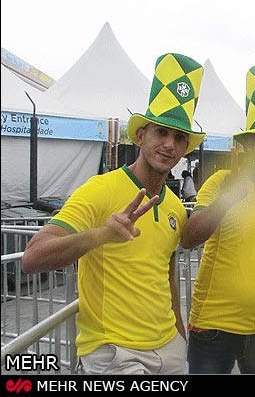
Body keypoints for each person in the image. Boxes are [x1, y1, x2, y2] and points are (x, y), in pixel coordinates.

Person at [21, 53, 206, 374]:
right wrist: (101, 235)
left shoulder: (175, 205)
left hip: (170, 351)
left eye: (179, 138)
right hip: (117, 355)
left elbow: (167, 272)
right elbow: (31, 258)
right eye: (160, 132)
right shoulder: (100, 189)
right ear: (140, 136)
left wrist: (179, 333)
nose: (169, 144)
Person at [181, 63, 255, 374]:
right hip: (213, 327)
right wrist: (226, 201)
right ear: (247, 146)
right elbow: (189, 237)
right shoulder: (222, 182)